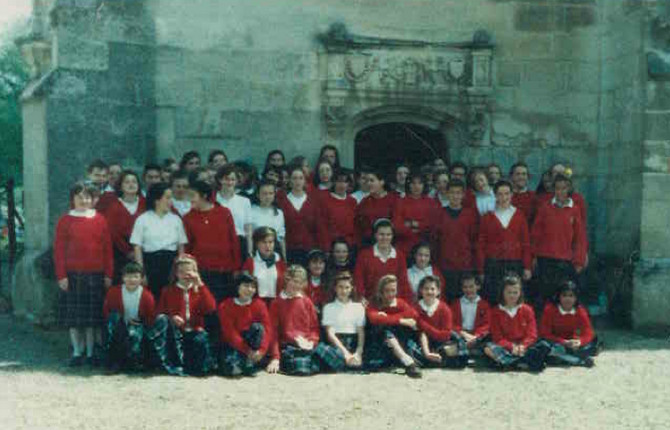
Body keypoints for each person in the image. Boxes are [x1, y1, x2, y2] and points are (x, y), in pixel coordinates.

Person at [54, 182, 113, 366]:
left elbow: (107, 250)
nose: (83, 200)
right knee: (75, 317)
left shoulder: (100, 219)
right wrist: (62, 275)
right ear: (72, 199)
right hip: (73, 275)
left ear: (93, 200)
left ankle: (90, 352)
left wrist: (108, 274)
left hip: (95, 275)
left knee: (91, 318)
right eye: (79, 196)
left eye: (87, 197)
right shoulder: (65, 220)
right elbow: (59, 250)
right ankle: (77, 351)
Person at [148, 254, 216, 376]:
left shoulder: (200, 290)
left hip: (195, 331)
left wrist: (200, 284)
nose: (185, 275)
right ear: (176, 274)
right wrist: (172, 317)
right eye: (181, 272)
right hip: (176, 334)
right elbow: (159, 313)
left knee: (200, 345)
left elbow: (210, 308)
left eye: (189, 272)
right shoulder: (168, 290)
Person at [531, 174, 587, 313]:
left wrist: (579, 260)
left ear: (569, 188)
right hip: (545, 258)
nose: (561, 191)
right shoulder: (545, 208)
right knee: (545, 295)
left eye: (564, 188)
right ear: (553, 189)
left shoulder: (574, 209)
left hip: (565, 259)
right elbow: (535, 234)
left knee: (562, 295)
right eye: (557, 188)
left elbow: (580, 237)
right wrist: (533, 256)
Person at [266, 265, 330, 376]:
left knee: (336, 357)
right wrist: (275, 357)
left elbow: (314, 328)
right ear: (286, 280)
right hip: (289, 346)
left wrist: (312, 342)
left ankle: (309, 360)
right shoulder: (277, 303)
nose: (297, 286)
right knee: (302, 368)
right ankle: (307, 362)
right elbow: (273, 333)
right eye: (294, 281)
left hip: (307, 344)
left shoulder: (306, 301)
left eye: (300, 283)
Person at [183, 180, 241, 302]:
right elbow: (188, 247)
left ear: (204, 196)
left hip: (225, 270)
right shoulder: (188, 218)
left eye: (193, 196)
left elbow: (234, 241)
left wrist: (236, 267)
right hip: (203, 271)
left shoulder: (224, 212)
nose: (190, 199)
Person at [476, 180, 531, 305]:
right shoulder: (487, 217)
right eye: (500, 194)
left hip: (515, 264)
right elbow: (481, 246)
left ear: (512, 195)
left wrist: (527, 267)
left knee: (514, 300)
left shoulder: (519, 215)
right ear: (495, 195)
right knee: (494, 298)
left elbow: (526, 243)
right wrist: (481, 270)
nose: (504, 197)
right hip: (493, 265)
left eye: (507, 194)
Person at [130, 182, 188, 299]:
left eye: (171, 198)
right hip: (150, 263)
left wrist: (180, 269)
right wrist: (142, 272)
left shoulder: (176, 220)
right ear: (157, 200)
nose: (170, 201)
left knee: (171, 297)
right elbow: (137, 247)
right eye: (167, 197)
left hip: (171, 264)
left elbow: (181, 246)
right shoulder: (142, 219)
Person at [484, 274, 549, 371]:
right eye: (509, 292)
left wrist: (522, 346)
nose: (512, 296)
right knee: (488, 349)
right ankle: (521, 363)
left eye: (515, 292)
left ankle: (510, 362)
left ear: (520, 293)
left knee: (544, 346)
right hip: (506, 347)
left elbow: (532, 334)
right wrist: (511, 347)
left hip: (524, 347)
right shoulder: (496, 311)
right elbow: (498, 337)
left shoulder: (527, 310)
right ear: (502, 292)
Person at [364, 275, 422, 378]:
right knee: (385, 330)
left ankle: (405, 359)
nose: (390, 294)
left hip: (400, 340)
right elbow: (374, 318)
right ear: (381, 291)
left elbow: (414, 315)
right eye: (387, 291)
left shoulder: (400, 303)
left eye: (393, 290)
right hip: (380, 342)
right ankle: (407, 361)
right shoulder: (374, 303)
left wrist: (389, 318)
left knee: (390, 326)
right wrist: (401, 320)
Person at [102, 262, 156, 372]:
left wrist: (140, 323)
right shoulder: (113, 292)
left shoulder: (147, 296)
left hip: (138, 325)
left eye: (135, 277)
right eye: (128, 276)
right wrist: (123, 321)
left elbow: (151, 317)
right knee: (114, 322)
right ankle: (115, 362)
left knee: (135, 335)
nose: (131, 280)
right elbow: (106, 312)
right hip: (119, 325)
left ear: (141, 279)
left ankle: (135, 362)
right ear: (123, 278)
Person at [217, 272, 272, 376]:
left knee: (258, 327)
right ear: (237, 287)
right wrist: (247, 350)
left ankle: (250, 361)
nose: (249, 290)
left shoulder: (260, 305)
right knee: (230, 370)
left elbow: (267, 329)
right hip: (233, 344)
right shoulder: (225, 305)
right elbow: (230, 333)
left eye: (253, 287)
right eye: (246, 286)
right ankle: (244, 362)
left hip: (253, 343)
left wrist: (261, 350)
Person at [432, 179, 479, 301]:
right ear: (447, 194)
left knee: (464, 299)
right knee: (448, 298)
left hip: (465, 265)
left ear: (463, 195)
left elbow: (475, 240)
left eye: (458, 193)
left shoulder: (470, 214)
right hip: (445, 265)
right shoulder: (440, 213)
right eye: (452, 192)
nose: (455, 196)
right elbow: (435, 240)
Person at [407, 276, 467, 369]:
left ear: (438, 291)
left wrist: (422, 324)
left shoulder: (444, 309)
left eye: (432, 289)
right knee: (411, 347)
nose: (429, 292)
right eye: (426, 289)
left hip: (441, 341)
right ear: (420, 290)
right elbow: (420, 334)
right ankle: (432, 358)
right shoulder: (415, 308)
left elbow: (445, 335)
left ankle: (436, 358)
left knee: (453, 346)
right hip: (422, 342)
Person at [99, 170, 146, 283]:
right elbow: (113, 233)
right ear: (120, 186)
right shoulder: (113, 207)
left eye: (134, 182)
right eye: (127, 182)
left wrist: (140, 250)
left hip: (145, 253)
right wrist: (128, 252)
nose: (131, 184)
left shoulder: (146, 204)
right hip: (121, 255)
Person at [539, 280, 598, 367]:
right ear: (559, 297)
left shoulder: (580, 311)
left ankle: (562, 358)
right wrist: (563, 342)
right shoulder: (550, 309)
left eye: (571, 296)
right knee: (544, 346)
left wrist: (579, 342)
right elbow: (544, 333)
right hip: (555, 342)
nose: (568, 299)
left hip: (572, 342)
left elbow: (588, 332)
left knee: (591, 343)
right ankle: (579, 360)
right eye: (564, 295)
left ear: (576, 298)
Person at [354, 219, 412, 304]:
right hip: (370, 302)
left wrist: (404, 304)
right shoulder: (364, 255)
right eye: (381, 234)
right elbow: (358, 281)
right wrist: (361, 298)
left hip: (393, 301)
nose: (385, 238)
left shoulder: (399, 256)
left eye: (388, 235)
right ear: (375, 235)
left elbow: (403, 283)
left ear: (392, 236)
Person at [321, 271, 366, 371]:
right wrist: (345, 353)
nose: (343, 291)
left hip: (354, 342)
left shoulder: (358, 307)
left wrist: (358, 352)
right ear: (335, 288)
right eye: (340, 287)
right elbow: (330, 334)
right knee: (320, 349)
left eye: (347, 287)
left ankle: (350, 363)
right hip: (337, 344)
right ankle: (349, 364)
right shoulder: (328, 307)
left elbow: (360, 331)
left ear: (351, 289)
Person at [277, 165, 321, 266]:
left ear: (305, 180)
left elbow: (318, 227)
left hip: (309, 249)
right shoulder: (282, 202)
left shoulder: (313, 201)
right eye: (294, 178)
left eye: (301, 178)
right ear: (289, 180)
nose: (298, 181)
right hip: (289, 249)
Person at [392, 171, 439, 256]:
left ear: (424, 185)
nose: (416, 186)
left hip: (425, 250)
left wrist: (412, 224)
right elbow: (397, 227)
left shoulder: (431, 203)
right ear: (408, 185)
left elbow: (433, 225)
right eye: (413, 183)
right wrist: (421, 227)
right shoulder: (400, 202)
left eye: (420, 183)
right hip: (404, 249)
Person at [215, 164, 253, 259]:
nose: (230, 182)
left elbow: (248, 230)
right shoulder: (213, 199)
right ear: (220, 180)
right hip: (219, 243)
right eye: (226, 179)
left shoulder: (244, 201)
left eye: (233, 179)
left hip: (239, 243)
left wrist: (250, 252)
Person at [354, 169, 399, 246]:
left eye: (372, 180)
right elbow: (358, 227)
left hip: (389, 243)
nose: (368, 183)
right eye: (367, 181)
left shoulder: (394, 200)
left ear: (382, 182)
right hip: (368, 244)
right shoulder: (364, 202)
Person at [241, 227, 287, 302]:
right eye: (263, 242)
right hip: (256, 304)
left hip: (277, 304)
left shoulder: (281, 263)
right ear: (256, 244)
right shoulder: (250, 263)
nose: (267, 246)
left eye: (270, 242)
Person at [449, 273, 490, 354]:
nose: (468, 290)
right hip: (460, 334)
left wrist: (475, 336)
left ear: (478, 287)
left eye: (471, 286)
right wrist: (463, 333)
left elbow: (487, 324)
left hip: (477, 335)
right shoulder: (456, 303)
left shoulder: (484, 304)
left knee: (488, 335)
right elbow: (451, 322)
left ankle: (466, 350)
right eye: (465, 287)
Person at [318, 169, 357, 250]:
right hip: (332, 247)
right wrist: (327, 248)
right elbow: (322, 227)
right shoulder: (325, 201)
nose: (342, 185)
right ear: (333, 182)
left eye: (345, 182)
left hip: (350, 246)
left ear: (348, 184)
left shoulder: (352, 201)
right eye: (339, 181)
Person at [249, 180, 286, 259]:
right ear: (258, 195)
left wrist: (284, 258)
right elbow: (249, 237)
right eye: (264, 193)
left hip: (275, 253)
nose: (268, 196)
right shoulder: (251, 211)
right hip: (257, 253)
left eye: (270, 193)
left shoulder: (279, 213)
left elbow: (281, 238)